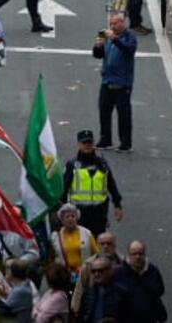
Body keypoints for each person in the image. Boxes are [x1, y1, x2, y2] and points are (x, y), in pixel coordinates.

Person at [64, 131, 123, 236]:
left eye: (89, 142)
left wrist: (117, 205)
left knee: (99, 242)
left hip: (99, 212)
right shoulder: (72, 165)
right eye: (84, 143)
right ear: (79, 144)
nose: (87, 145)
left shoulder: (102, 164)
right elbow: (64, 188)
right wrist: (62, 210)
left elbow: (111, 184)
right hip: (79, 213)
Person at [93, 12, 137, 152]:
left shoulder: (129, 36)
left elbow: (129, 49)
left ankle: (125, 143)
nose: (112, 26)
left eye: (115, 23)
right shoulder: (107, 37)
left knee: (123, 114)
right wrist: (98, 46)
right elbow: (97, 55)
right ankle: (105, 139)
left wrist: (114, 39)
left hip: (122, 82)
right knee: (104, 111)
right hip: (107, 80)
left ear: (122, 23)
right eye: (111, 23)